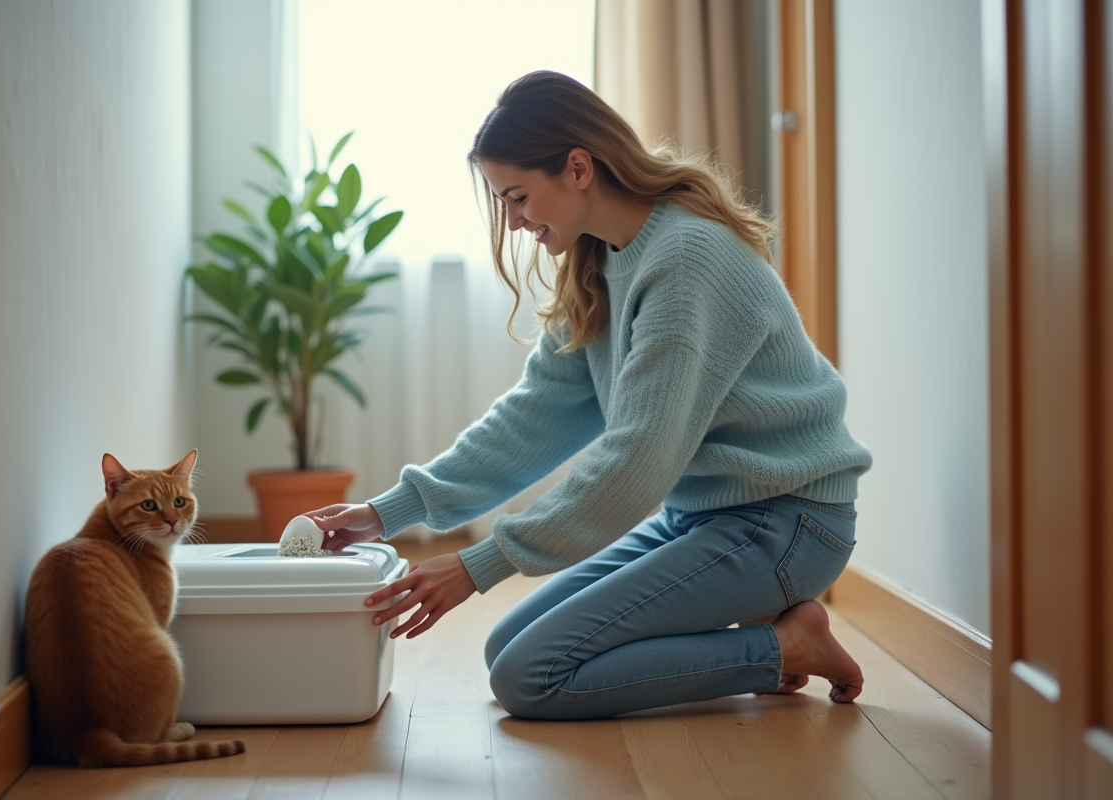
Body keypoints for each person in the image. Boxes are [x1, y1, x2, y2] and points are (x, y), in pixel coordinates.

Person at [307, 70, 873, 721]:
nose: (515, 223)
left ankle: (787, 643)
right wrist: (388, 512)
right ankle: (763, 623)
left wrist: (477, 563)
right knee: (505, 648)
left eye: (519, 197)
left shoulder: (687, 259)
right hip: (701, 516)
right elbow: (529, 420)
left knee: (532, 676)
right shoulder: (599, 260)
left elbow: (636, 461)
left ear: (578, 167)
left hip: (786, 522)